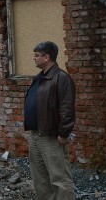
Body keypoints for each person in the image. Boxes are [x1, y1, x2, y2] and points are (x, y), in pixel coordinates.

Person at [24, 41, 76, 200]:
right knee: (40, 181)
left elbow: (67, 108)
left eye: (37, 55)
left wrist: (63, 133)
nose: (34, 58)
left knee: (60, 179)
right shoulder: (39, 78)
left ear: (47, 57)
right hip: (36, 136)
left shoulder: (61, 78)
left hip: (52, 137)